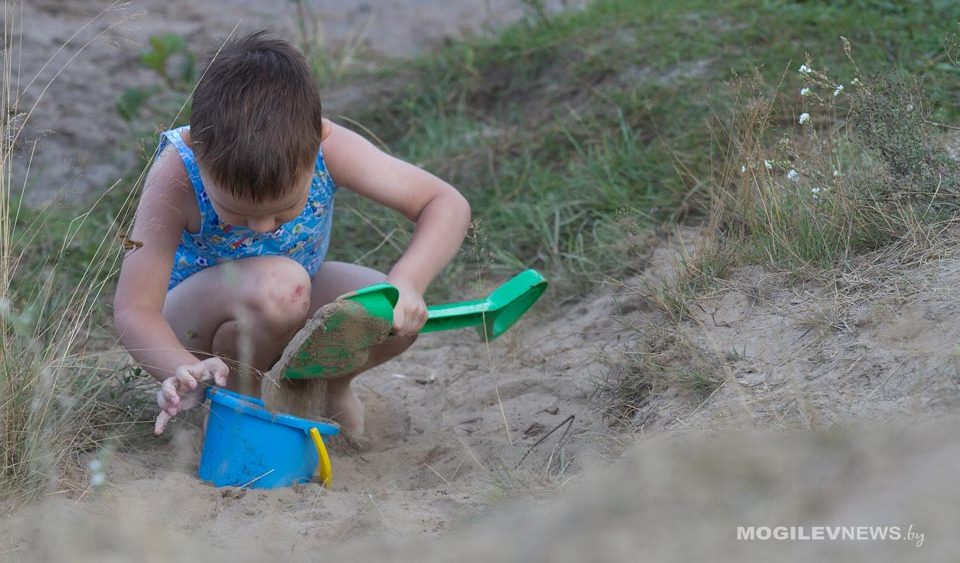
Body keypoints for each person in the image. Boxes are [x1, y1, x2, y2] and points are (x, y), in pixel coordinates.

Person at [113, 31, 471, 438]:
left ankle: (323, 386)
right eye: (237, 212)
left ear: (318, 138)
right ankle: (242, 404)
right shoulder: (177, 172)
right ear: (198, 150)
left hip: (287, 305)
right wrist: (179, 366)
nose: (264, 227)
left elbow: (445, 203)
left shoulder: (327, 149)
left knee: (383, 308)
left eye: (284, 209)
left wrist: (408, 283)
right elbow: (135, 309)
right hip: (195, 333)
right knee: (282, 285)